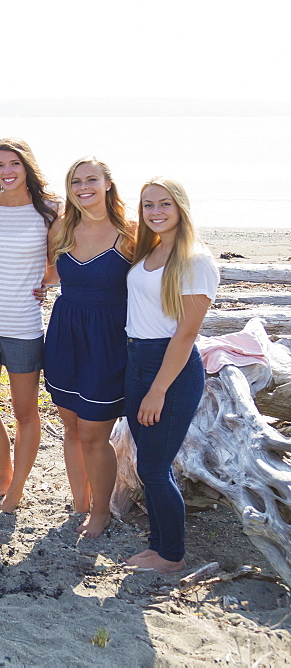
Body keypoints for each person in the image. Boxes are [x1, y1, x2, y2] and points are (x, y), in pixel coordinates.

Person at [124, 177, 218, 574]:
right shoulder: (152, 249)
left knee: (153, 467)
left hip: (172, 370)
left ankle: (172, 556)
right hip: (136, 360)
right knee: (148, 460)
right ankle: (157, 545)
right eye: (148, 205)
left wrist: (158, 389)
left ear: (180, 207)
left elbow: (186, 333)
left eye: (164, 204)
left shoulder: (195, 260)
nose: (155, 212)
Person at [0, 138, 59, 512]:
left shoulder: (50, 210)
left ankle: (18, 488)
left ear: (26, 168)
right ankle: (4, 478)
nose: (7, 171)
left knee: (25, 412)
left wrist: (47, 283)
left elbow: (60, 259)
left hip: (23, 326)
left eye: (13, 164)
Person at [43, 157, 136, 536]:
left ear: (108, 184)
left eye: (92, 180)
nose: (84, 187)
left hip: (108, 339)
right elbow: (50, 274)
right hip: (65, 332)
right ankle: (79, 503)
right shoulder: (62, 226)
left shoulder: (130, 232)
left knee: (95, 432)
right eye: (76, 181)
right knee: (71, 426)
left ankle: (100, 511)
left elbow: (154, 277)